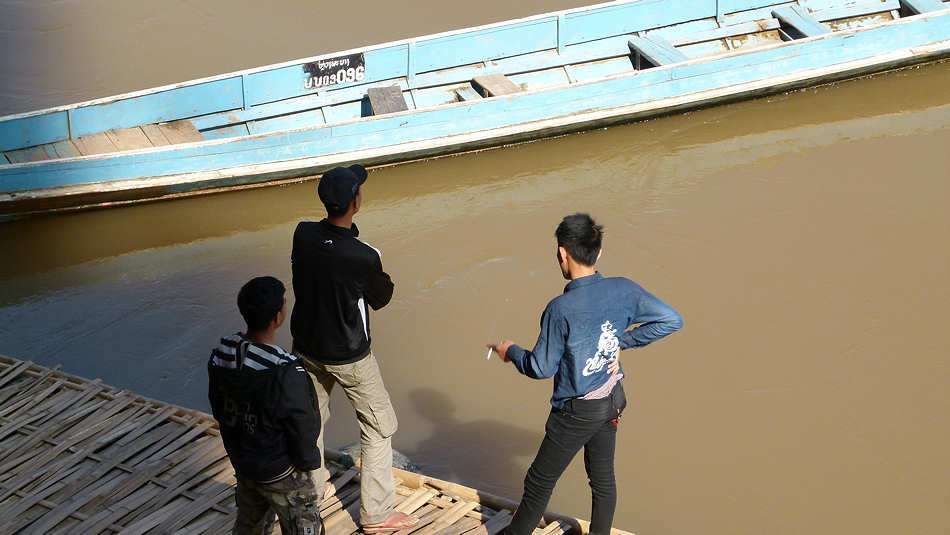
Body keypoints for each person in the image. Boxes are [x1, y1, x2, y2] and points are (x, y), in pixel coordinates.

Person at [488, 213, 683, 535]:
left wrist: (512, 352)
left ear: (562, 253)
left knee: (539, 480)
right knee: (603, 480)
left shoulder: (560, 309)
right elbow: (671, 320)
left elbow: (540, 367)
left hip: (577, 412)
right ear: (599, 253)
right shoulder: (624, 289)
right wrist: (622, 341)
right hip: (612, 397)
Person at [290, 164, 418, 534]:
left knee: (312, 417)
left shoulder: (302, 234)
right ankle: (376, 514)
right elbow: (381, 297)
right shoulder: (363, 255)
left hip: (307, 346)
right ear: (355, 203)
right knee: (379, 427)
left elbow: (327, 248)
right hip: (349, 354)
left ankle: (312, 488)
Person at [208, 276, 324, 535]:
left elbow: (218, 405)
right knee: (303, 525)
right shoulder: (285, 368)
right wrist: (308, 465)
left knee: (250, 523)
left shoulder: (223, 352)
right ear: (277, 318)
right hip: (280, 469)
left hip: (244, 460)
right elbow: (303, 424)